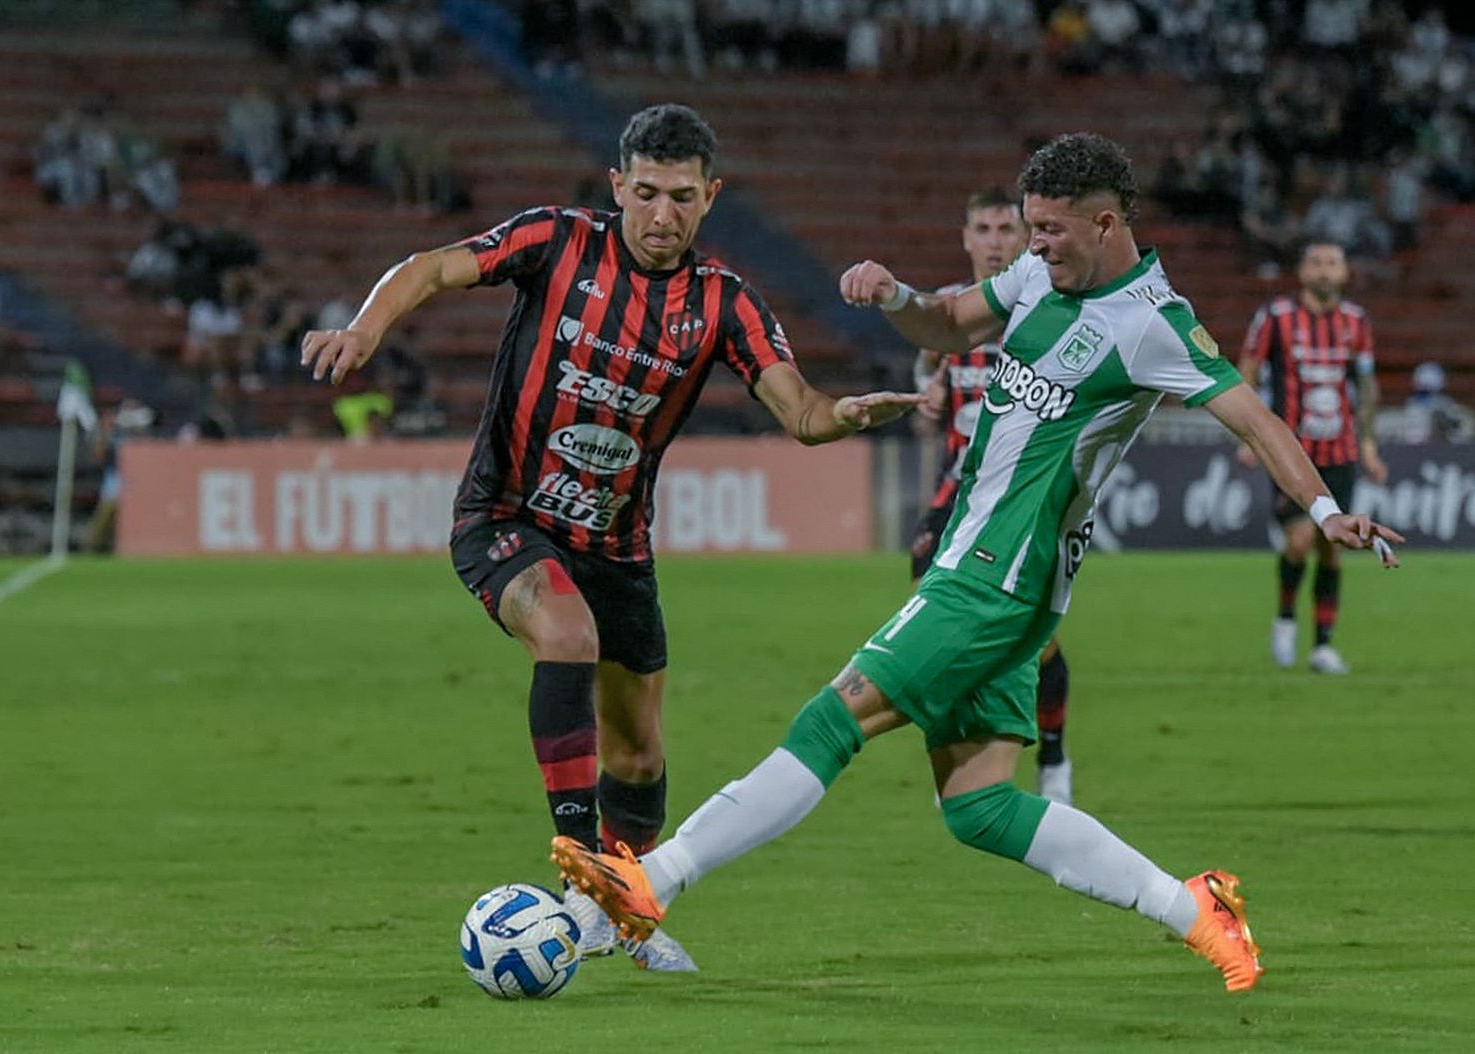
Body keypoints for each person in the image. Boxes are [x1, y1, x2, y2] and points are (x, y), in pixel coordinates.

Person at [552, 133, 1404, 994]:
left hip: (995, 575)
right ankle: (1197, 909)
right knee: (980, 806)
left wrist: (1327, 510)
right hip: (1007, 581)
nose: (1031, 246)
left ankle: (655, 880)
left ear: (1106, 224)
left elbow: (1256, 421)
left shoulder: (1153, 326)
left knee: (830, 722)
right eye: (1028, 228)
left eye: (1049, 230)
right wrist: (895, 296)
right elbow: (951, 322)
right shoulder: (1039, 277)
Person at [300, 103, 920, 971]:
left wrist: (844, 415)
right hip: (505, 518)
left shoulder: (723, 303)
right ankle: (582, 879)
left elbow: (800, 410)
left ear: (711, 198)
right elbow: (436, 267)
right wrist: (365, 327)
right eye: (648, 194)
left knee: (639, 752)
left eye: (682, 198)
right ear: (618, 186)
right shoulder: (556, 241)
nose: (662, 216)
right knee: (567, 634)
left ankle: (617, 908)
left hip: (619, 548)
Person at [911, 187, 1073, 804]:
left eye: (1007, 227)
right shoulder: (951, 309)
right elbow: (928, 371)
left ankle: (1054, 758)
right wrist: (927, 394)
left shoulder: (1053, 307)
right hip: (955, 493)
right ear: (966, 238)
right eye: (983, 228)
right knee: (934, 628)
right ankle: (962, 758)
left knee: (1037, 639)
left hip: (1024, 503)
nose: (996, 240)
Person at [1237, 240, 1388, 675]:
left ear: (1344, 274)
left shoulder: (1356, 322)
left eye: (1334, 263)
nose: (1325, 271)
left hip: (1340, 452)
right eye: (1317, 263)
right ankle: (1285, 618)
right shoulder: (1277, 318)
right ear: (1302, 272)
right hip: (1290, 451)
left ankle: (1323, 645)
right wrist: (1248, 435)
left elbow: (1366, 389)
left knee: (1332, 546)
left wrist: (1371, 447)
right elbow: (1248, 367)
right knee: (1299, 539)